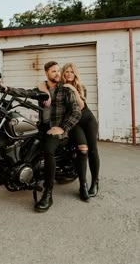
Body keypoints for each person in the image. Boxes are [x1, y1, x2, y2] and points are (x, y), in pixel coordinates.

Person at [0, 61, 81, 212]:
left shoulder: (66, 91)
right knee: (21, 141)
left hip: (58, 129)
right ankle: (9, 174)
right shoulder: (42, 91)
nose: (57, 74)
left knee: (48, 150)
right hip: (43, 126)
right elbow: (25, 92)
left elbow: (76, 112)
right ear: (46, 73)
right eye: (53, 71)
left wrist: (62, 127)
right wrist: (5, 89)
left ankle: (48, 193)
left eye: (58, 71)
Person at [61, 63, 100, 199]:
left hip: (88, 119)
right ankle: (82, 185)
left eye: (72, 71)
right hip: (74, 123)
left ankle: (95, 182)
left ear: (75, 74)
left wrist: (73, 88)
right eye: (67, 71)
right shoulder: (60, 88)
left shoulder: (80, 87)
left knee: (93, 150)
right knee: (82, 150)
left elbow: (82, 105)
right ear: (63, 73)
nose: (69, 74)